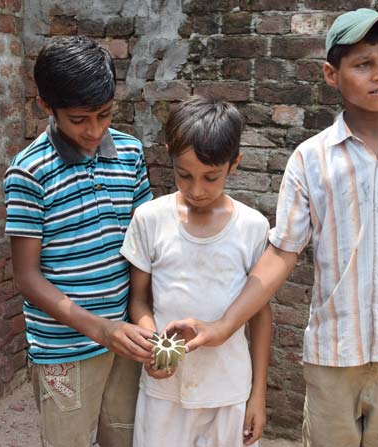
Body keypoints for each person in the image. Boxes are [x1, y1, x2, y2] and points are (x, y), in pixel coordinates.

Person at [167, 9, 378, 447]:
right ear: (331, 75)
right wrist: (224, 326)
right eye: (363, 64)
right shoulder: (311, 160)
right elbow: (282, 253)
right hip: (332, 358)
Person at [3, 35, 154, 447]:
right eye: (78, 119)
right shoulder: (30, 172)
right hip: (63, 349)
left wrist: (140, 319)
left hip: (125, 338)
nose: (94, 129)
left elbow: (145, 243)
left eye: (104, 114)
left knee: (125, 435)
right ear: (45, 106)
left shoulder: (130, 153)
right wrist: (98, 329)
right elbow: (27, 276)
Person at [120, 95, 272, 447]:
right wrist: (154, 344)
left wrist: (257, 395)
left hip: (229, 388)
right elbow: (139, 300)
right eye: (184, 175)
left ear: (234, 164)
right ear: (170, 158)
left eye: (211, 177)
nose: (196, 190)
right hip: (165, 390)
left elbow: (260, 315)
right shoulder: (150, 218)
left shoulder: (252, 227)